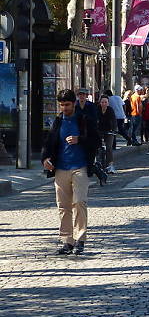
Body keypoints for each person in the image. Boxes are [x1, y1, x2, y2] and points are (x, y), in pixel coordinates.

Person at [42, 89, 100, 255]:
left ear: (74, 103)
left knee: (80, 202)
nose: (64, 108)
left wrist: (79, 140)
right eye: (61, 105)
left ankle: (80, 239)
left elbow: (96, 141)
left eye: (67, 104)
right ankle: (67, 241)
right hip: (61, 168)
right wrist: (45, 160)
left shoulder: (84, 120)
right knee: (63, 206)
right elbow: (49, 143)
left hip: (80, 166)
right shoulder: (58, 121)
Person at [96, 95, 117, 173]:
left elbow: (114, 121)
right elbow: (94, 120)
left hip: (109, 131)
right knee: (98, 147)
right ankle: (98, 164)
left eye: (105, 102)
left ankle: (110, 165)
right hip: (99, 130)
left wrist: (114, 129)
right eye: (102, 102)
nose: (104, 104)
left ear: (108, 103)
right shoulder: (97, 109)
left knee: (109, 148)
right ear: (100, 103)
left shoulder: (110, 110)